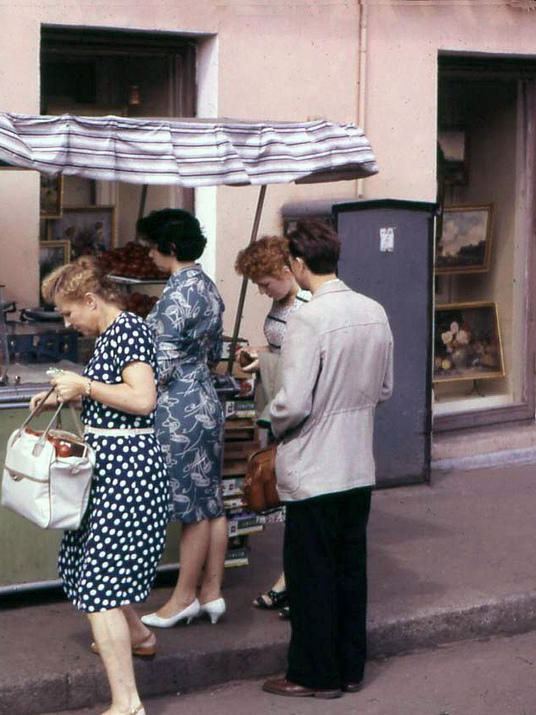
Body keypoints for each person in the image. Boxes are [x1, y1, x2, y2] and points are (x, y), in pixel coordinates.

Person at [29, 257, 169, 715]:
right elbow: (116, 396)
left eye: (69, 312)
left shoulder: (128, 331)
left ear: (91, 301)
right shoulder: (114, 334)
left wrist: (85, 387)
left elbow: (143, 399)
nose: (68, 323)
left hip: (126, 473)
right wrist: (63, 395)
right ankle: (139, 637)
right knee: (93, 570)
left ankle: (127, 704)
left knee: (100, 586)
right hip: (113, 470)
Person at [261, 219, 393, 699]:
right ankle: (351, 667)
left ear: (298, 263)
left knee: (310, 572)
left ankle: (314, 673)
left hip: (314, 464)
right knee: (349, 568)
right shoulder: (374, 310)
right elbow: (384, 388)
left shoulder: (307, 318)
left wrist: (272, 421)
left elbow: (293, 402)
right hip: (357, 462)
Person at [135, 209, 228, 629]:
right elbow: (214, 353)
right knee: (209, 500)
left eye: (152, 248)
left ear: (169, 248)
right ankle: (211, 591)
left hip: (179, 408)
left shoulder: (177, 294)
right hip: (205, 398)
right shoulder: (206, 286)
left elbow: (163, 364)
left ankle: (183, 598)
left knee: (191, 508)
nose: (148, 255)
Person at [233, 235, 310, 617]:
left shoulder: (308, 305)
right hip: (279, 403)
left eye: (265, 284)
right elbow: (281, 350)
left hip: (297, 410)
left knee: (299, 502)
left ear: (285, 270)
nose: (263, 292)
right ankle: (292, 580)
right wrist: (258, 356)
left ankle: (294, 584)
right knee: (289, 501)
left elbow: (304, 362)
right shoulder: (283, 301)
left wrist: (266, 361)